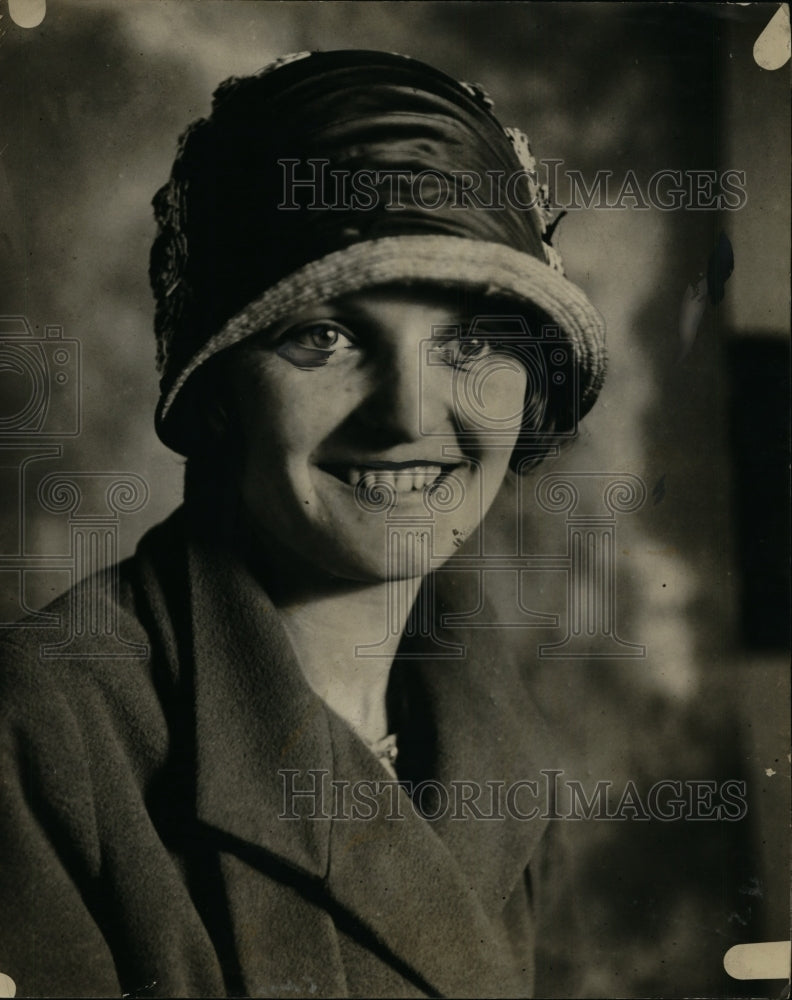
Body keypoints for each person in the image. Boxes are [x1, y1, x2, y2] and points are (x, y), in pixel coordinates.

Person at [0, 50, 606, 998]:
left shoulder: (502, 734)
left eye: (473, 338)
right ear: (216, 391)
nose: (408, 414)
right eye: (323, 336)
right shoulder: (42, 736)